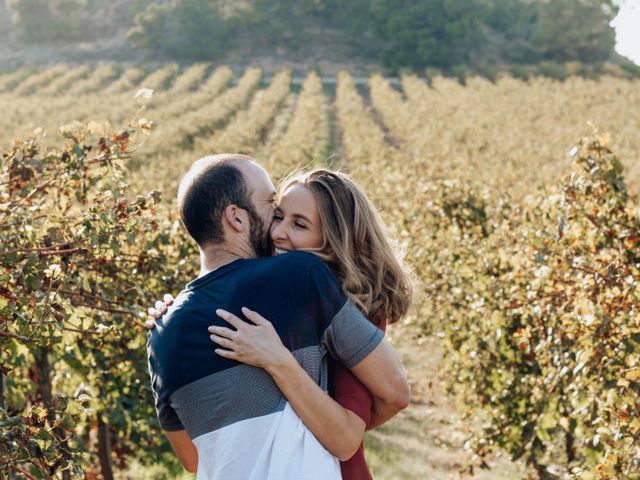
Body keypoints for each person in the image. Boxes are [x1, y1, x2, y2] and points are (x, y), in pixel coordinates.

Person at [147, 154, 410, 479]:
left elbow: (192, 460)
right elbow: (392, 395)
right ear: (236, 218)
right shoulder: (301, 274)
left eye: (297, 222)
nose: (277, 226)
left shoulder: (161, 334)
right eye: (272, 205)